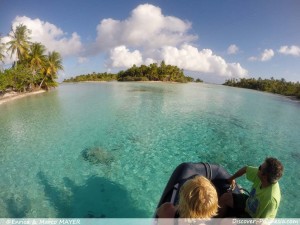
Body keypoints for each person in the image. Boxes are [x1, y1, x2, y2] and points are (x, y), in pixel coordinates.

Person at [218, 157, 283, 218]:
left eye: (260, 167)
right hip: (249, 203)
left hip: (253, 219)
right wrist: (230, 179)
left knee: (226, 222)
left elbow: (262, 222)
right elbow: (246, 169)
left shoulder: (271, 199)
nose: (258, 168)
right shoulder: (261, 175)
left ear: (264, 176)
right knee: (225, 197)